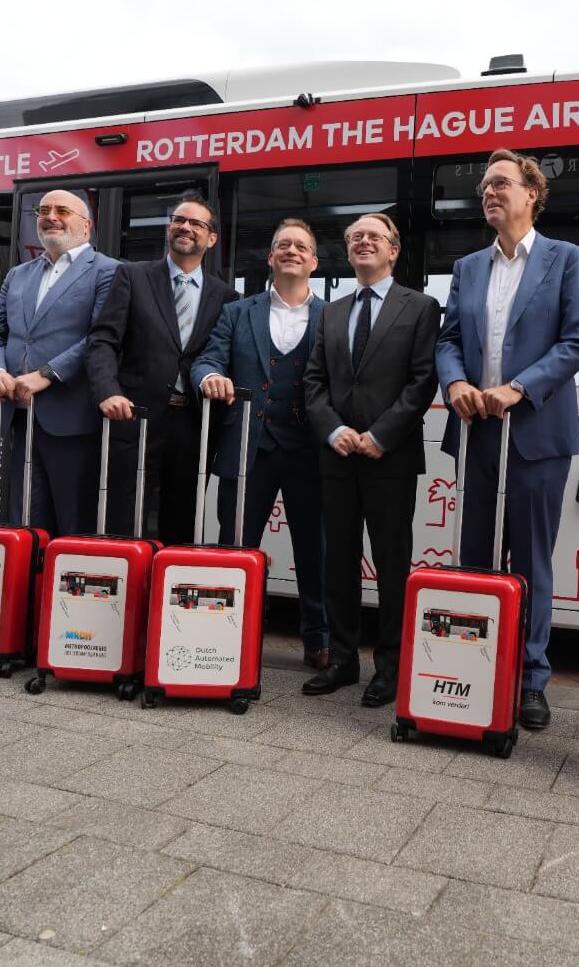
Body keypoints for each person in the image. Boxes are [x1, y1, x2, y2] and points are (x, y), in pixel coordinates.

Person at [437, 148, 579, 731]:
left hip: (536, 434)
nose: (489, 192)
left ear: (533, 193)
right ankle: (473, 671)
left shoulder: (567, 259)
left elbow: (578, 340)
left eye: (501, 183)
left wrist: (519, 389)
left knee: (530, 562)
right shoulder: (468, 268)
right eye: (484, 186)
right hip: (478, 432)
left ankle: (530, 679)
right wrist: (454, 381)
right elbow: (448, 338)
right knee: (474, 558)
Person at [303, 214, 441, 704]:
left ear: (393, 250)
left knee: (390, 563)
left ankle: (390, 668)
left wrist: (382, 434)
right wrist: (334, 429)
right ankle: (341, 660)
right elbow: (313, 382)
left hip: (391, 457)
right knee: (337, 561)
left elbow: (423, 380)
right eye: (354, 237)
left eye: (374, 237)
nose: (363, 242)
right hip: (338, 456)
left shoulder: (421, 307)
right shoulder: (331, 312)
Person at [192, 220, 330, 669]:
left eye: (301, 246)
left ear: (314, 261)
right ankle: (224, 633)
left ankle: (318, 638)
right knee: (234, 544)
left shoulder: (333, 316)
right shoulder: (238, 311)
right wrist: (210, 375)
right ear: (270, 258)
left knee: (317, 548)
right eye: (282, 245)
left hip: (310, 449)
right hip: (247, 447)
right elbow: (210, 357)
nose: (291, 250)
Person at [87, 193, 237, 543]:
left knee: (182, 521)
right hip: (134, 417)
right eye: (178, 220)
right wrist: (108, 391)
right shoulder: (133, 276)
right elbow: (103, 340)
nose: (185, 227)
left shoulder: (226, 297)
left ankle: (167, 595)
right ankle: (124, 595)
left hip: (192, 424)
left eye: (196, 223)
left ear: (211, 238)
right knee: (123, 519)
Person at [0, 190, 118, 535]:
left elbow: (101, 338)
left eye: (62, 210)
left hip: (73, 419)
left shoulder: (110, 272)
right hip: (19, 420)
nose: (51, 216)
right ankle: (28, 589)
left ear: (86, 226)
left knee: (74, 524)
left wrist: (47, 374)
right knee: (24, 522)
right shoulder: (18, 275)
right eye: (43, 210)